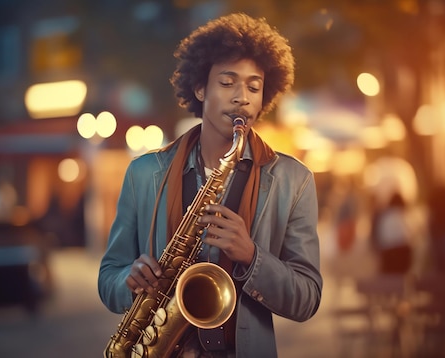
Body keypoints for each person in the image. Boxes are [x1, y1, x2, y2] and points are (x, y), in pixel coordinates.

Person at [98, 13, 323, 358]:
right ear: (200, 88)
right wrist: (129, 279)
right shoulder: (143, 174)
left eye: (253, 86)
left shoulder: (294, 181)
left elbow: (307, 298)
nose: (241, 98)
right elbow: (108, 277)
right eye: (227, 82)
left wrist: (251, 256)